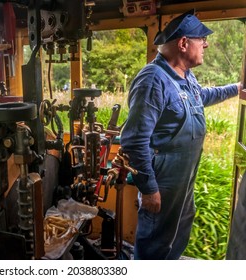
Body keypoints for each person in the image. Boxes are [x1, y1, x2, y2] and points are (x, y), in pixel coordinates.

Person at [120, 10, 241, 260]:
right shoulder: (153, 80)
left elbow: (202, 97)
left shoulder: (185, 76)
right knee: (154, 246)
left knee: (174, 240)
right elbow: (134, 140)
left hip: (184, 179)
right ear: (184, 44)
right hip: (163, 180)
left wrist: (238, 88)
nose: (206, 44)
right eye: (201, 39)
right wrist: (149, 188)